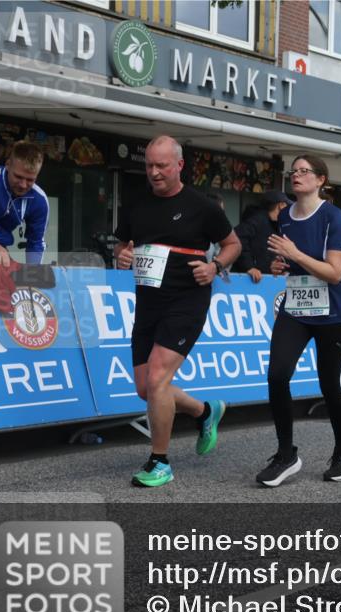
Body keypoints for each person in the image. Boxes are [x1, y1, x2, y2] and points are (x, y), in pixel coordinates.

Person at [113, 136, 241, 487]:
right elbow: (122, 246)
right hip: (148, 303)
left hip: (187, 301)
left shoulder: (202, 207)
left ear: (179, 166)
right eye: (150, 166)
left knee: (157, 379)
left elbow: (233, 245)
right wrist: (122, 255)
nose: (154, 172)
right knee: (146, 388)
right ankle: (204, 412)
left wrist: (215, 266)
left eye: (162, 166)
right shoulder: (136, 205)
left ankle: (160, 461)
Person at [255, 156, 341, 486]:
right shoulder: (284, 216)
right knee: (277, 374)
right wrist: (280, 265)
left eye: (303, 172)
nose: (296, 176)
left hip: (333, 313)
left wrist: (295, 254)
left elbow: (334, 271)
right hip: (296, 308)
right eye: (293, 171)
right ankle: (286, 455)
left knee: (329, 384)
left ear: (320, 180)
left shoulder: (332, 216)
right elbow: (293, 260)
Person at [234, 190, 290, 283]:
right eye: (287, 207)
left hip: (263, 282)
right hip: (245, 282)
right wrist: (249, 267)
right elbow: (237, 239)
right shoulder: (256, 221)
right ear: (281, 205)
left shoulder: (276, 225)